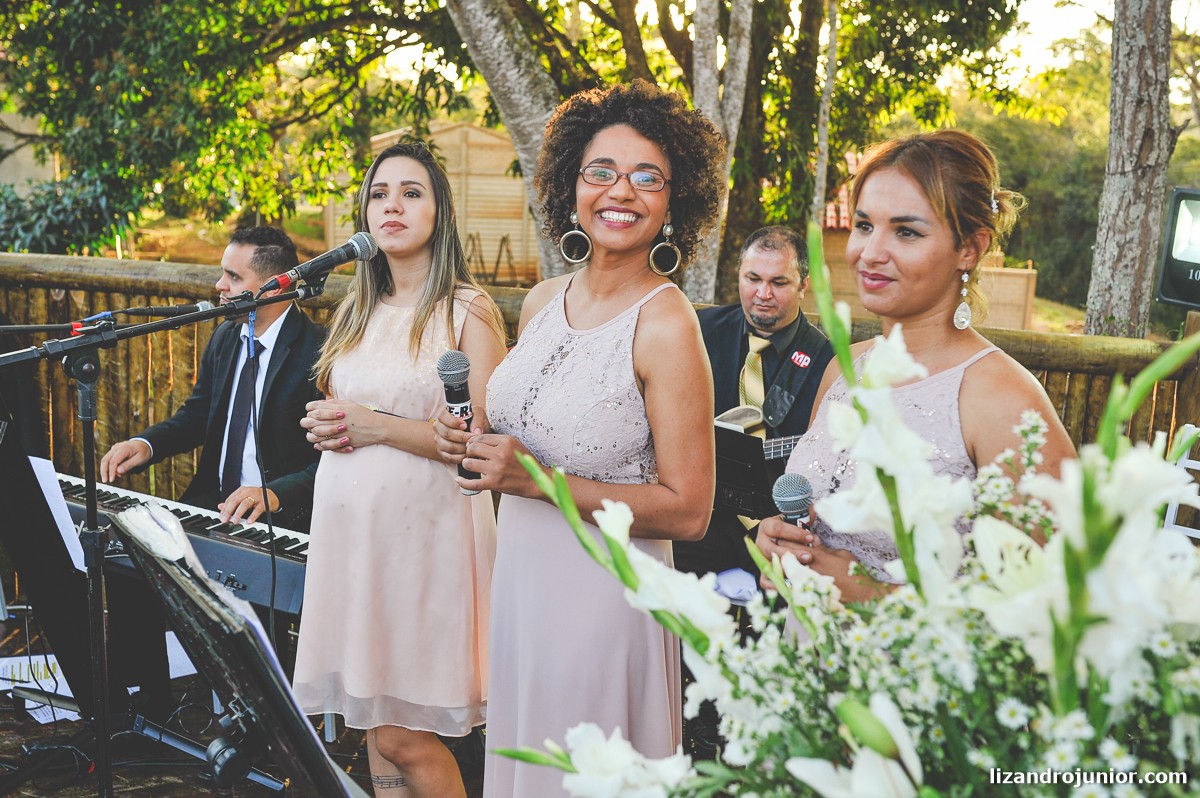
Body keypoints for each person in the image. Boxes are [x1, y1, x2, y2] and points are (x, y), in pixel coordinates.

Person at [433, 80, 724, 798]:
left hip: (602, 602)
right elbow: (516, 435)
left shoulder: (667, 323)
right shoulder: (540, 301)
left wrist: (540, 482)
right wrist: (468, 439)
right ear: (571, 185)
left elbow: (690, 509)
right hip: (522, 590)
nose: (620, 191)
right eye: (602, 171)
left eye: (647, 177)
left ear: (671, 204)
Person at [756, 129, 1076, 603]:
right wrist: (783, 540)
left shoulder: (1001, 400)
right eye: (864, 226)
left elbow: (1052, 598)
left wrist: (867, 592)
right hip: (803, 652)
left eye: (906, 231)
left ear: (969, 247)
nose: (870, 252)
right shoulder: (845, 370)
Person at [291, 141, 507, 798]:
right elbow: (347, 413)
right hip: (357, 546)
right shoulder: (354, 311)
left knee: (405, 734)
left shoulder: (466, 311)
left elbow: (482, 443)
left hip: (429, 541)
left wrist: (372, 425)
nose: (392, 205)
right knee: (377, 732)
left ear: (440, 212)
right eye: (381, 193)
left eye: (412, 192)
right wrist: (324, 424)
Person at [99, 226, 323, 532]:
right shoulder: (225, 336)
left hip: (280, 522)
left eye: (233, 277)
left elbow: (331, 461)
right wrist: (147, 444)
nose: (220, 285)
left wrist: (275, 494)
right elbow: (198, 415)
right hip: (211, 507)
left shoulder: (320, 352)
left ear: (273, 287)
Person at [674, 226, 833, 581]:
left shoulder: (826, 361)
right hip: (703, 513)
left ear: (804, 286)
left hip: (780, 525)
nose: (763, 293)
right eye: (753, 278)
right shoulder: (699, 331)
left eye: (779, 282)